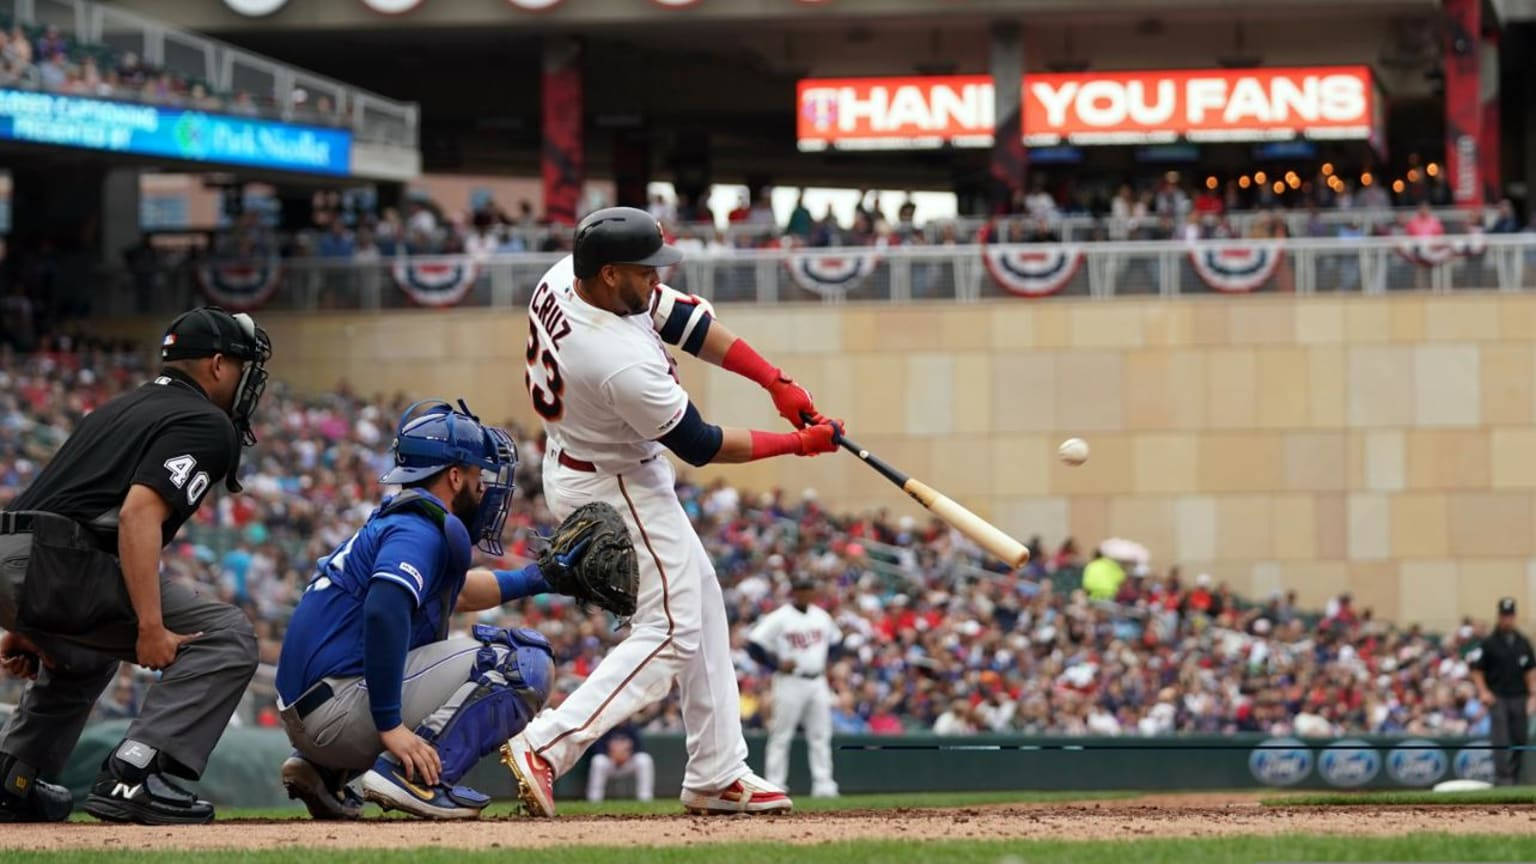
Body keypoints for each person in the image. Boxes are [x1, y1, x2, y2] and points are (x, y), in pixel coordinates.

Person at [502, 205, 843, 817]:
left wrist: (774, 380)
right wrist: (798, 444)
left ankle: (717, 770)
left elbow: (681, 319)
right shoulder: (616, 361)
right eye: (645, 269)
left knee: (704, 600)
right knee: (672, 632)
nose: (657, 278)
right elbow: (701, 445)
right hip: (615, 483)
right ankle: (548, 743)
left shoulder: (568, 276)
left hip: (590, 459)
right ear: (609, 273)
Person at [275, 399, 614, 821]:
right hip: (342, 709)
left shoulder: (403, 521)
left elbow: (464, 596)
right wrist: (389, 725)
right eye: (477, 475)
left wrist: (541, 578)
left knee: (464, 649)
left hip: (314, 711)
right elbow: (384, 608)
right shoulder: (418, 529)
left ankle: (324, 771)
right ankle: (414, 779)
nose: (484, 488)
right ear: (454, 476)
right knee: (522, 662)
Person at [0, 306, 271, 824]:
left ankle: (12, 776)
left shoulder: (118, 407)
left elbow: (55, 500)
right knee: (227, 636)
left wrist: (30, 619)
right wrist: (150, 626)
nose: (244, 381)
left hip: (21, 555)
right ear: (217, 365)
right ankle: (135, 775)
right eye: (240, 366)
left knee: (85, 652)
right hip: (54, 563)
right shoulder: (206, 421)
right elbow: (137, 514)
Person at [748, 577, 842, 797]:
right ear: (794, 592)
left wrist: (828, 661)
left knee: (820, 735)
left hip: (818, 681)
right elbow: (754, 644)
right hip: (790, 681)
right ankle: (775, 785)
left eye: (809, 590)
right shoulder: (780, 617)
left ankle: (824, 784)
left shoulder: (821, 616)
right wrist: (776, 664)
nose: (805, 594)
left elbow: (838, 642)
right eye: (801, 590)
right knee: (781, 735)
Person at [1468, 597, 1536, 786]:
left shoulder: (1523, 642)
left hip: (1519, 697)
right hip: (1498, 697)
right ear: (1499, 616)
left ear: (1515, 616)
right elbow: (1476, 669)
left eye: (1510, 615)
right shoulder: (1489, 643)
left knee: (1521, 738)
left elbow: (1530, 670)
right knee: (1501, 739)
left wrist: (1533, 694)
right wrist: (1483, 692)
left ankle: (1515, 777)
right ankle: (1503, 780)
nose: (1508, 619)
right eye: (1504, 615)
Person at [584, 723, 654, 803]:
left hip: (627, 763)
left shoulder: (631, 729)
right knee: (598, 760)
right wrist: (612, 755)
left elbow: (640, 748)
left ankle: (645, 798)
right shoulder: (604, 729)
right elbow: (597, 749)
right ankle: (594, 799)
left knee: (644, 759)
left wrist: (626, 755)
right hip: (610, 763)